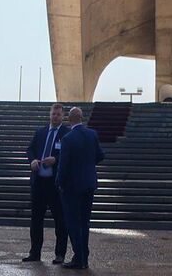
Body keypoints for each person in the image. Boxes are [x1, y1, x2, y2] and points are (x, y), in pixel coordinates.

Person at [54, 106, 102, 270]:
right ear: (82, 118)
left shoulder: (68, 138)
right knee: (85, 222)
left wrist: (59, 182)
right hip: (89, 184)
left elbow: (63, 165)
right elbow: (100, 155)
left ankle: (79, 258)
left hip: (72, 187)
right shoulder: (92, 134)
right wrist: (88, 165)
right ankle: (84, 258)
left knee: (73, 222)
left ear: (69, 119)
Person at [22, 103, 68, 265]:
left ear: (63, 116)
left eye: (58, 114)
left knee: (60, 220)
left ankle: (60, 254)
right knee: (36, 219)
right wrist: (32, 160)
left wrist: (56, 159)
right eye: (53, 114)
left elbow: (70, 154)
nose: (55, 116)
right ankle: (35, 252)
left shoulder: (66, 133)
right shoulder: (40, 132)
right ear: (49, 114)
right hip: (38, 182)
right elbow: (30, 149)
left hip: (56, 184)